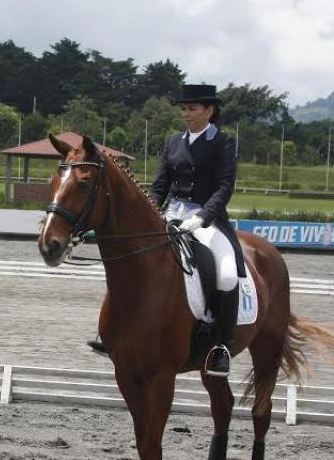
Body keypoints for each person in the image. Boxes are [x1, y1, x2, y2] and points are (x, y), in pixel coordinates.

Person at [88, 84, 241, 377]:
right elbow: (159, 186)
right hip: (170, 215)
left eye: (192, 108)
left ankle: (222, 345)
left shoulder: (223, 143)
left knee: (226, 273)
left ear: (209, 111)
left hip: (207, 220)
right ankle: (114, 330)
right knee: (134, 261)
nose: (186, 113)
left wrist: (203, 218)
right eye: (183, 108)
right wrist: (151, 211)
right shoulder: (173, 141)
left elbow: (225, 187)